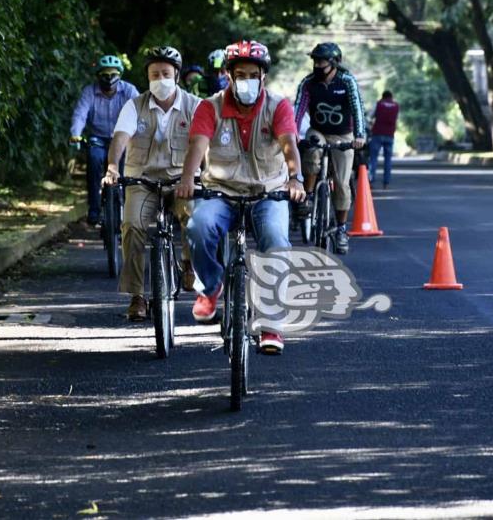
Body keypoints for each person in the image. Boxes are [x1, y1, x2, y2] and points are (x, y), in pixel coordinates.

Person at [175, 40, 306, 355]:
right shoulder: (211, 106)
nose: (246, 80)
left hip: (268, 191)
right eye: (240, 74)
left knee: (276, 242)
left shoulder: (278, 106)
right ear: (228, 76)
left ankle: (271, 324)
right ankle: (211, 286)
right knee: (198, 227)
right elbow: (197, 145)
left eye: (252, 74)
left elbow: (289, 143)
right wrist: (187, 179)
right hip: (220, 191)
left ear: (263, 77)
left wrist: (295, 178)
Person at [103, 47, 201, 320]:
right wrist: (112, 167)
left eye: (166, 73)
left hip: (182, 181)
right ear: (147, 78)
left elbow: (205, 145)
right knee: (131, 225)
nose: (160, 79)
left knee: (193, 217)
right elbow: (121, 137)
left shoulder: (195, 106)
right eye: (154, 74)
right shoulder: (134, 105)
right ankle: (137, 296)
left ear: (177, 76)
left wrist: (207, 173)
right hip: (142, 181)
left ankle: (189, 264)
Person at [294, 42, 367, 255]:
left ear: (334, 63)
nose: (317, 65)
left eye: (321, 61)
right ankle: (307, 196)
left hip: (343, 135)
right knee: (312, 154)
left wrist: (360, 136)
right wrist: (293, 135)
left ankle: (341, 230)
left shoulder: (347, 81)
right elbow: (298, 109)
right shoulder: (308, 83)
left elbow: (358, 108)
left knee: (342, 184)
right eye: (315, 61)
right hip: (318, 131)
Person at [70, 54, 139, 225]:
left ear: (120, 75)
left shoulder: (129, 91)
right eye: (105, 75)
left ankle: (126, 207)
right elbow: (80, 114)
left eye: (113, 75)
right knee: (94, 162)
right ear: (98, 76)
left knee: (125, 173)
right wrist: (75, 133)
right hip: (98, 139)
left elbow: (141, 112)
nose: (109, 79)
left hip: (122, 139)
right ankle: (94, 209)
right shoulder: (89, 92)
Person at [368, 90, 400, 188]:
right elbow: (396, 119)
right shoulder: (396, 106)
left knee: (373, 158)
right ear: (391, 97)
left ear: (382, 97)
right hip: (390, 135)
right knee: (388, 160)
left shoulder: (379, 104)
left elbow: (370, 117)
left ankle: (371, 180)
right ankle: (386, 182)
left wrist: (370, 125)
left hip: (377, 134)